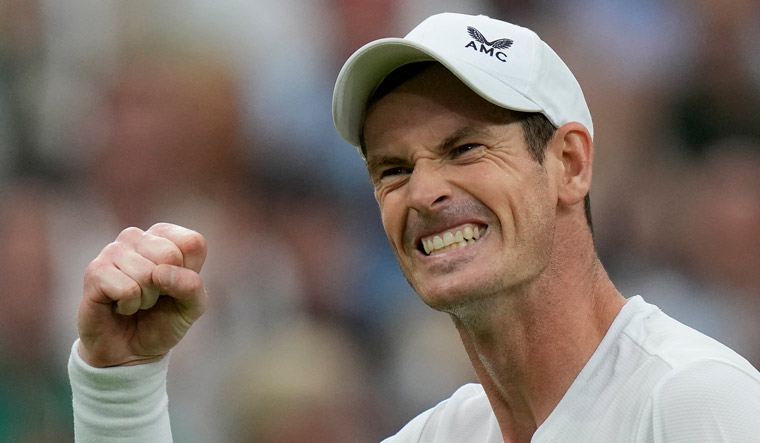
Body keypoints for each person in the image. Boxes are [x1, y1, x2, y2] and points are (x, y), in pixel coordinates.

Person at [68, 12, 760, 442]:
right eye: (392, 168)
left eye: (465, 149)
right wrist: (119, 385)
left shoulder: (695, 400)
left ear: (570, 164)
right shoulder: (438, 436)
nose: (424, 191)